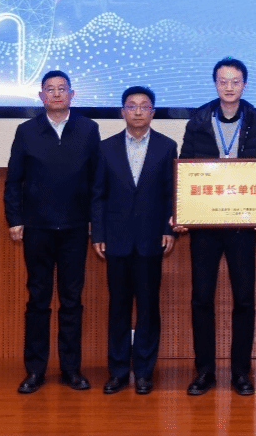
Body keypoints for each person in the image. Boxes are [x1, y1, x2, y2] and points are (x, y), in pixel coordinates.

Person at [176, 57, 256, 396]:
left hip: (242, 225)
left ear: (244, 84)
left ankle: (240, 373)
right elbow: (186, 170)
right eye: (223, 81)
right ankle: (204, 371)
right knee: (201, 298)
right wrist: (182, 211)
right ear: (215, 84)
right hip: (205, 225)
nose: (229, 87)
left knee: (244, 299)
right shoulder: (198, 121)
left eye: (235, 81)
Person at [3, 70, 102, 394]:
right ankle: (35, 370)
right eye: (50, 89)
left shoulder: (88, 129)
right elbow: (13, 179)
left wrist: (96, 222)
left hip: (75, 228)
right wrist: (15, 219)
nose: (57, 94)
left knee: (72, 301)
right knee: (38, 300)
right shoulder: (26, 131)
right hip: (37, 228)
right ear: (41, 96)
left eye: (62, 89)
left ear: (72, 95)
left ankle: (71, 369)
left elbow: (97, 181)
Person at [91, 86, 177, 396]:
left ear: (153, 112)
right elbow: (98, 195)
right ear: (122, 111)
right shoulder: (106, 147)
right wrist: (98, 233)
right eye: (131, 106)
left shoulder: (167, 146)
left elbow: (171, 192)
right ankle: (117, 371)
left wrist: (169, 229)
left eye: (144, 106)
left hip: (151, 238)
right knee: (119, 307)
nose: (138, 111)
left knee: (148, 307)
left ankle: (143, 372)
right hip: (115, 239)